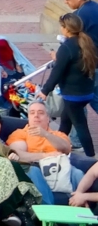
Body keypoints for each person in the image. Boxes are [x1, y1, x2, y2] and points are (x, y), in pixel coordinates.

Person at [41, 12, 98, 158]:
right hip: (86, 91)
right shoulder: (87, 42)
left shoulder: (66, 48)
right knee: (65, 123)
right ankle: (58, 149)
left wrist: (45, 90)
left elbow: (57, 72)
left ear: (66, 29)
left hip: (73, 95)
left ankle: (91, 157)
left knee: (80, 126)